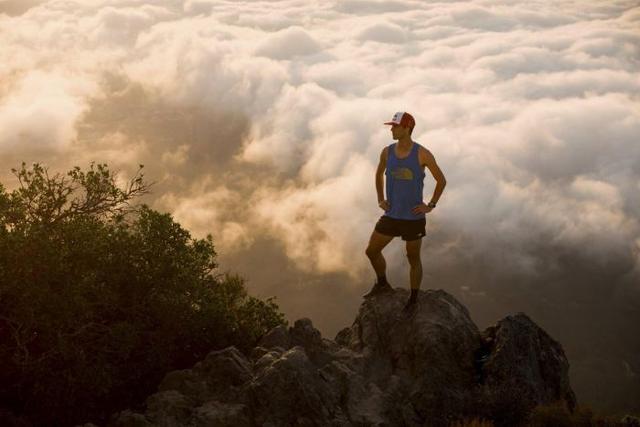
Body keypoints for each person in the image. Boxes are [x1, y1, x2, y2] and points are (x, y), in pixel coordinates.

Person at [363, 111, 447, 312]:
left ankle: (414, 298)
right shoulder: (387, 152)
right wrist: (380, 199)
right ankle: (382, 284)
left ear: (407, 128)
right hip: (391, 215)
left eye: (395, 126)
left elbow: (441, 181)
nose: (391, 129)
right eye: (392, 126)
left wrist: (431, 205)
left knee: (413, 257)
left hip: (413, 218)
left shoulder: (422, 154)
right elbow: (378, 175)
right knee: (371, 251)